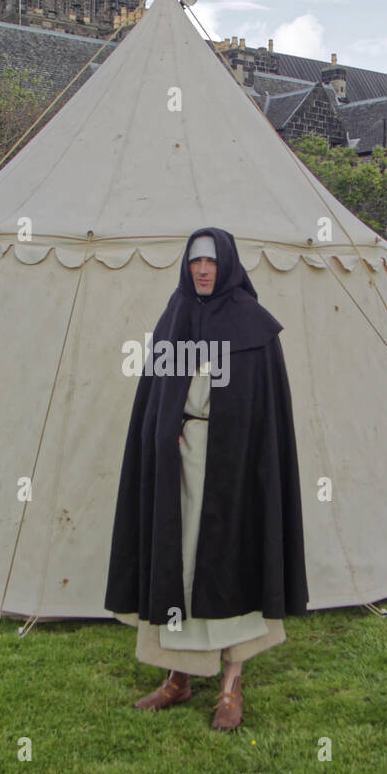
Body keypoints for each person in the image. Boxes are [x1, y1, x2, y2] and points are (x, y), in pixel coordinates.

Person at [105, 227, 307, 731]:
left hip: (234, 472)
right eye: (195, 261)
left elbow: (266, 413)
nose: (201, 269)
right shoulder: (174, 318)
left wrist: (238, 450)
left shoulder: (254, 327)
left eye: (211, 262)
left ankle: (230, 687)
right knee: (180, 565)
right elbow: (155, 395)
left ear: (228, 266)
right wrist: (163, 431)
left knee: (229, 567)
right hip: (180, 465)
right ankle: (178, 677)